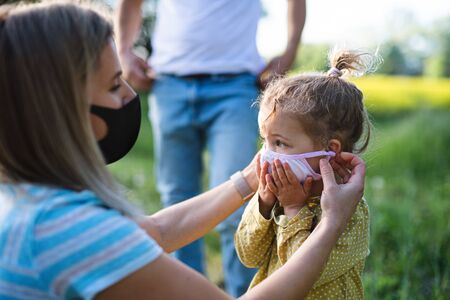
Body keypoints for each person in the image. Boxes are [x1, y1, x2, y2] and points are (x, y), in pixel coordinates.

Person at [0, 2, 365, 299]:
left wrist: (250, 179)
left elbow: (157, 231)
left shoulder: (27, 201)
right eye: (114, 86)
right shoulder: (67, 229)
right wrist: (331, 221)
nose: (130, 95)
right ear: (61, 109)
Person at [116, 0, 306, 295]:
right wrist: (124, 51)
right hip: (168, 83)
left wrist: (292, 46)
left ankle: (246, 292)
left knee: (241, 201)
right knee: (177, 197)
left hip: (237, 84)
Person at [235, 49, 377, 298]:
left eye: (280, 143)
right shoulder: (276, 195)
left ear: (329, 150)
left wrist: (294, 210)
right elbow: (248, 255)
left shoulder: (351, 211)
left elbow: (302, 278)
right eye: (265, 141)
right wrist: (265, 206)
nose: (267, 154)